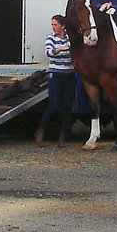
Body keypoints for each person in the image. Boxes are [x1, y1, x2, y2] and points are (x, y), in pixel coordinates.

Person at [34, 15, 75, 148]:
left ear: (63, 26)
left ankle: (62, 137)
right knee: (54, 103)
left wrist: (66, 49)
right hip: (56, 74)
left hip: (69, 74)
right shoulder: (50, 38)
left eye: (55, 25)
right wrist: (63, 49)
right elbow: (50, 52)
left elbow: (75, 50)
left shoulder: (70, 37)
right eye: (52, 24)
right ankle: (41, 129)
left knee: (68, 107)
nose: (53, 27)